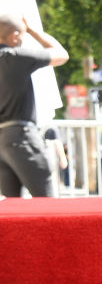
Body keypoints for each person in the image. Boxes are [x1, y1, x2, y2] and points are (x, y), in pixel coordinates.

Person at [0, 13, 68, 198]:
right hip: (21, 136)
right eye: (22, 36)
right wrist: (33, 31)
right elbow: (61, 55)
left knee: (13, 205)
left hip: (2, 141)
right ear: (14, 36)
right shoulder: (15, 57)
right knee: (45, 198)